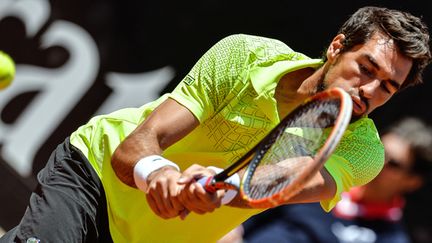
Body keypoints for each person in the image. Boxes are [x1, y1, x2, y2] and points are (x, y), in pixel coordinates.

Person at [1, 6, 431, 243]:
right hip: (93, 178)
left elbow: (274, 183)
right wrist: (162, 173)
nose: (370, 90)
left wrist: (219, 187)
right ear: (337, 47)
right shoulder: (245, 56)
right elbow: (134, 149)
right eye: (367, 68)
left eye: (387, 88)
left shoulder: (363, 152)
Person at [239, 117, 432, 243]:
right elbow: (246, 213)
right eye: (381, 154)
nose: (379, 165)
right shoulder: (319, 179)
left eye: (394, 164)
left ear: (412, 181)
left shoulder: (392, 239)